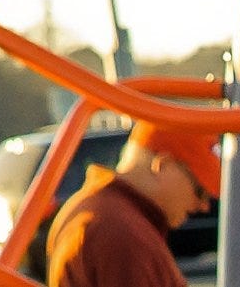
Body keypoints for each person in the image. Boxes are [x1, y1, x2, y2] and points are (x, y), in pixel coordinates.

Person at [42, 119, 215, 287]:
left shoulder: (100, 210)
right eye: (200, 192)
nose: (204, 206)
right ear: (163, 165)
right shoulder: (122, 232)